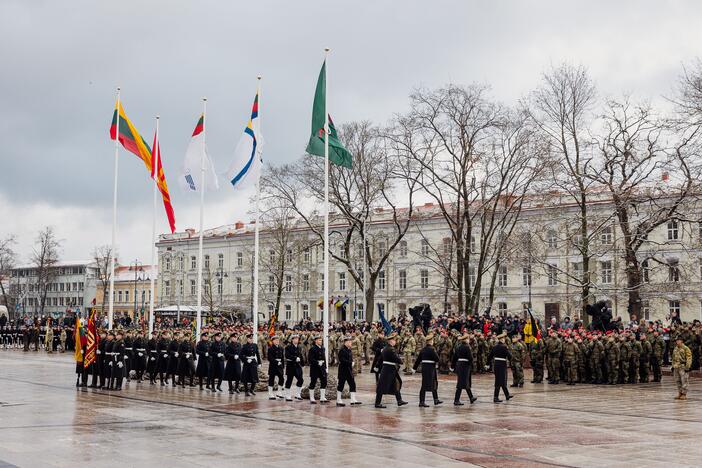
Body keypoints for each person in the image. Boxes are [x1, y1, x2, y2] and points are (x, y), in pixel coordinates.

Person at [374, 332, 408, 408]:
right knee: (382, 386)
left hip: (388, 369)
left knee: (395, 384)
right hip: (388, 370)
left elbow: (380, 358)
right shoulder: (391, 349)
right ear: (391, 341)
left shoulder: (385, 349)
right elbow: (396, 358)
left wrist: (377, 366)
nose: (395, 342)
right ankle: (377, 403)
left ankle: (399, 400)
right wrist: (401, 361)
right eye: (394, 340)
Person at [413, 332, 442, 407]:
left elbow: (418, 360)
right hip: (431, 368)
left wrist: (414, 368)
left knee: (427, 384)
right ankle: (422, 402)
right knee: (431, 383)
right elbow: (437, 359)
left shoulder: (423, 350)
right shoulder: (432, 349)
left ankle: (435, 399)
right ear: (431, 341)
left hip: (425, 368)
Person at [451, 332, 476, 405]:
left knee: (465, 382)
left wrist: (452, 366)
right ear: (466, 340)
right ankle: (456, 400)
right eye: (468, 339)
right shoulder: (467, 347)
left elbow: (454, 357)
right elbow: (470, 358)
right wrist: (472, 366)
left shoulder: (458, 347)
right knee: (461, 383)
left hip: (459, 365)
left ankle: (471, 397)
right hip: (465, 366)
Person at [487, 332, 513, 403]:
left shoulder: (494, 347)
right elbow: (510, 356)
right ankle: (495, 397)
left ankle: (507, 395)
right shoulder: (504, 347)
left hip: (496, 364)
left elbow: (490, 356)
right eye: (503, 338)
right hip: (502, 364)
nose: (504, 340)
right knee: (500, 381)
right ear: (501, 339)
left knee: (500, 380)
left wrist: (487, 364)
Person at [336, 335, 361, 406]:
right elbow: (342, 360)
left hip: (349, 370)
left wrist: (351, 363)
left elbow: (350, 358)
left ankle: (353, 399)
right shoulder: (342, 350)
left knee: (352, 384)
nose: (351, 343)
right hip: (343, 370)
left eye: (351, 341)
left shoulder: (349, 350)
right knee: (341, 385)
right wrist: (350, 363)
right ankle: (338, 400)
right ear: (345, 342)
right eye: (349, 342)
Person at [307, 335, 329, 404]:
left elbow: (324, 358)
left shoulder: (323, 348)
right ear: (315, 341)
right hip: (315, 368)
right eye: (319, 340)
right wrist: (317, 362)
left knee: (324, 381)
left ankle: (322, 397)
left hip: (322, 368)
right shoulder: (312, 349)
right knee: (313, 382)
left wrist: (325, 367)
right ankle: (312, 398)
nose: (320, 341)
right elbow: (310, 359)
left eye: (321, 340)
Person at [284, 334, 304, 401]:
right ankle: (287, 395)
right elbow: (287, 355)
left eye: (297, 339)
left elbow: (300, 355)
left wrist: (302, 363)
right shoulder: (288, 347)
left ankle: (298, 394)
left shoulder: (299, 347)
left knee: (300, 380)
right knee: (289, 380)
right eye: (295, 339)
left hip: (298, 366)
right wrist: (295, 358)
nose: (296, 340)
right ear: (292, 340)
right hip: (291, 366)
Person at [671, 335, 692, 400]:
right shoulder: (675, 348)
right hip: (676, 366)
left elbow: (689, 358)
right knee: (677, 380)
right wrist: (672, 365)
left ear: (681, 341)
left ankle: (684, 394)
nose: (677, 342)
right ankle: (679, 393)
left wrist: (687, 367)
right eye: (676, 340)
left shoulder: (686, 348)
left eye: (678, 340)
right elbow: (673, 357)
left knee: (684, 380)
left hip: (683, 367)